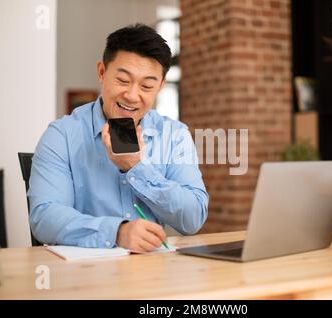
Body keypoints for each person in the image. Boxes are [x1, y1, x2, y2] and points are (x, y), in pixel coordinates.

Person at [28, 24, 208, 252]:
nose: (132, 96)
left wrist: (137, 167)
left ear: (160, 86)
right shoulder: (61, 135)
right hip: (84, 276)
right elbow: (44, 217)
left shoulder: (174, 135)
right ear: (102, 72)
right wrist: (117, 232)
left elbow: (193, 219)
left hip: (152, 275)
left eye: (147, 85)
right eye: (123, 81)